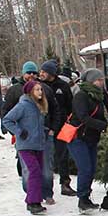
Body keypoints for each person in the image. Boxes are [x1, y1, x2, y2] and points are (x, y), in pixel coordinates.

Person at [2, 79, 50, 215]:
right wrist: (19, 131)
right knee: (34, 171)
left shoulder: (39, 106)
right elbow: (7, 120)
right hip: (26, 145)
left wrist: (45, 131)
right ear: (30, 91)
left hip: (39, 144)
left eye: (41, 89)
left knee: (38, 172)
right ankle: (32, 201)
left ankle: (34, 200)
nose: (40, 92)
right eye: (37, 89)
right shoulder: (23, 105)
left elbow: (36, 124)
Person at [67, 68, 108, 214]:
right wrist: (104, 126)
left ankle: (86, 197)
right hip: (78, 137)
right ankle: (82, 199)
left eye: (102, 80)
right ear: (91, 81)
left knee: (91, 168)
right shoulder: (81, 96)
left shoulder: (99, 96)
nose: (102, 83)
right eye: (99, 80)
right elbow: (83, 117)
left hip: (91, 137)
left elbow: (101, 115)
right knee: (85, 168)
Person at [39, 59, 77, 197]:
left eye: (44, 71)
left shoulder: (63, 86)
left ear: (51, 73)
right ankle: (44, 187)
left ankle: (65, 184)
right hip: (44, 126)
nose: (41, 73)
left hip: (61, 127)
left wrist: (69, 121)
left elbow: (70, 106)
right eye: (41, 71)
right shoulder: (38, 86)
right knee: (45, 157)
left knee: (62, 156)